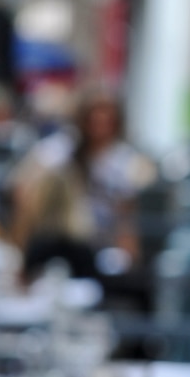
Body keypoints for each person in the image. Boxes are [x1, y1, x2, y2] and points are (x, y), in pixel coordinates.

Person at [8, 83, 153, 274]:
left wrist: (129, 257)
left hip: (100, 245)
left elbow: (126, 216)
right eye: (94, 118)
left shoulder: (123, 160)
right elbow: (25, 183)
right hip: (60, 238)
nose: (99, 124)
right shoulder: (64, 148)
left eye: (106, 119)